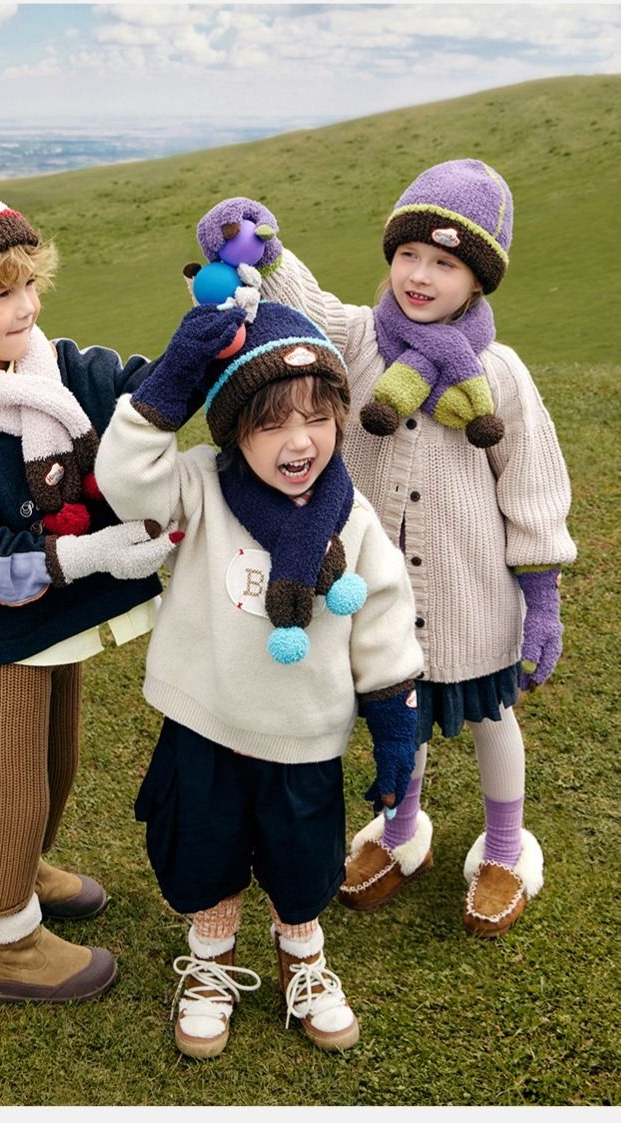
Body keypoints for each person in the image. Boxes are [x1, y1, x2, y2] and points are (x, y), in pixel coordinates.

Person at [196, 158, 577, 938]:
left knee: (491, 718)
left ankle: (506, 848)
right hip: (373, 593)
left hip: (474, 598)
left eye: (445, 262)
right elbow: (302, 302)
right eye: (409, 255)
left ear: (478, 281)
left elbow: (531, 482)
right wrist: (259, 245)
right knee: (396, 708)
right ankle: (402, 835)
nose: (420, 275)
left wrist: (541, 598)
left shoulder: (498, 375)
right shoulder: (363, 338)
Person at [95, 293, 423, 1058]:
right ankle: (211, 959)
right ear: (234, 432)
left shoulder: (354, 518)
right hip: (207, 718)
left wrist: (395, 723)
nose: (297, 440)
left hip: (304, 734)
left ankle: (301, 951)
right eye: (270, 422)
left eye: (315, 415)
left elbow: (381, 620)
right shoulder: (202, 487)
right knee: (204, 845)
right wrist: (171, 380)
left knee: (302, 858)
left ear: (339, 416)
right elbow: (125, 479)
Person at [0, 181, 179, 1003]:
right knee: (10, 780)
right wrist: (83, 555)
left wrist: (205, 351)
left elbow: (143, 393)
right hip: (6, 632)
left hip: (60, 624)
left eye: (29, 283)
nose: (24, 306)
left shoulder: (57, 370)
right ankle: (1, 937)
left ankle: (26, 869)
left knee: (56, 760)